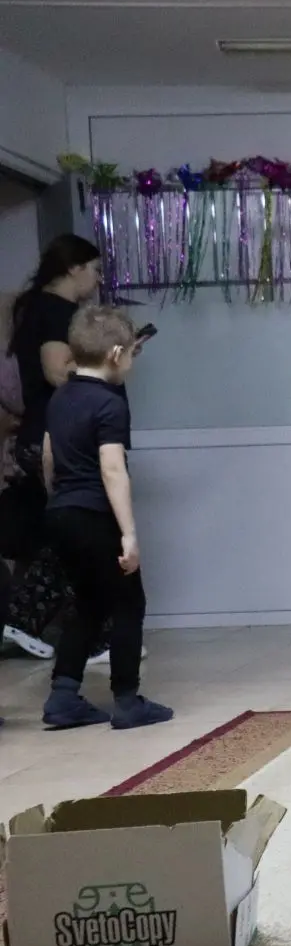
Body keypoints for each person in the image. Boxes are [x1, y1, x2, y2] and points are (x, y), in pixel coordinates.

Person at [39, 304, 170, 729]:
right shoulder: (110, 404)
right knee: (129, 602)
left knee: (88, 602)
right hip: (95, 514)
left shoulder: (60, 397)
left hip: (61, 512)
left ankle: (63, 696)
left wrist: (58, 498)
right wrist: (128, 534)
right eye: (130, 354)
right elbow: (112, 469)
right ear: (115, 354)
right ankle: (128, 701)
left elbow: (48, 456)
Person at [3, 235, 105, 662]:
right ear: (73, 268)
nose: (98, 280)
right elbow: (57, 373)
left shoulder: (37, 309)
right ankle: (51, 626)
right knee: (80, 534)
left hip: (43, 434)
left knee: (68, 535)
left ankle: (42, 623)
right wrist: (106, 363)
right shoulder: (56, 312)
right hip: (53, 438)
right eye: (94, 270)